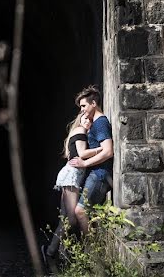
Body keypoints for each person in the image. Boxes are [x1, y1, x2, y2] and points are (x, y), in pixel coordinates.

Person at [42, 111, 104, 268]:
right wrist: (102, 149)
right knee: (70, 219)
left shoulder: (79, 132)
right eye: (84, 118)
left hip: (70, 175)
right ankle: (53, 251)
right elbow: (82, 154)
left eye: (90, 119)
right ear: (79, 119)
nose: (88, 121)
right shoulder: (81, 131)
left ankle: (52, 252)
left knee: (65, 218)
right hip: (72, 175)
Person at [67, 85, 114, 235]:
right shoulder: (95, 122)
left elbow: (108, 151)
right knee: (88, 214)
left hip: (99, 175)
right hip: (94, 174)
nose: (82, 110)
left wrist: (84, 163)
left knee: (80, 211)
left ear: (94, 103)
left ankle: (91, 251)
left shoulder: (100, 123)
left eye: (84, 105)